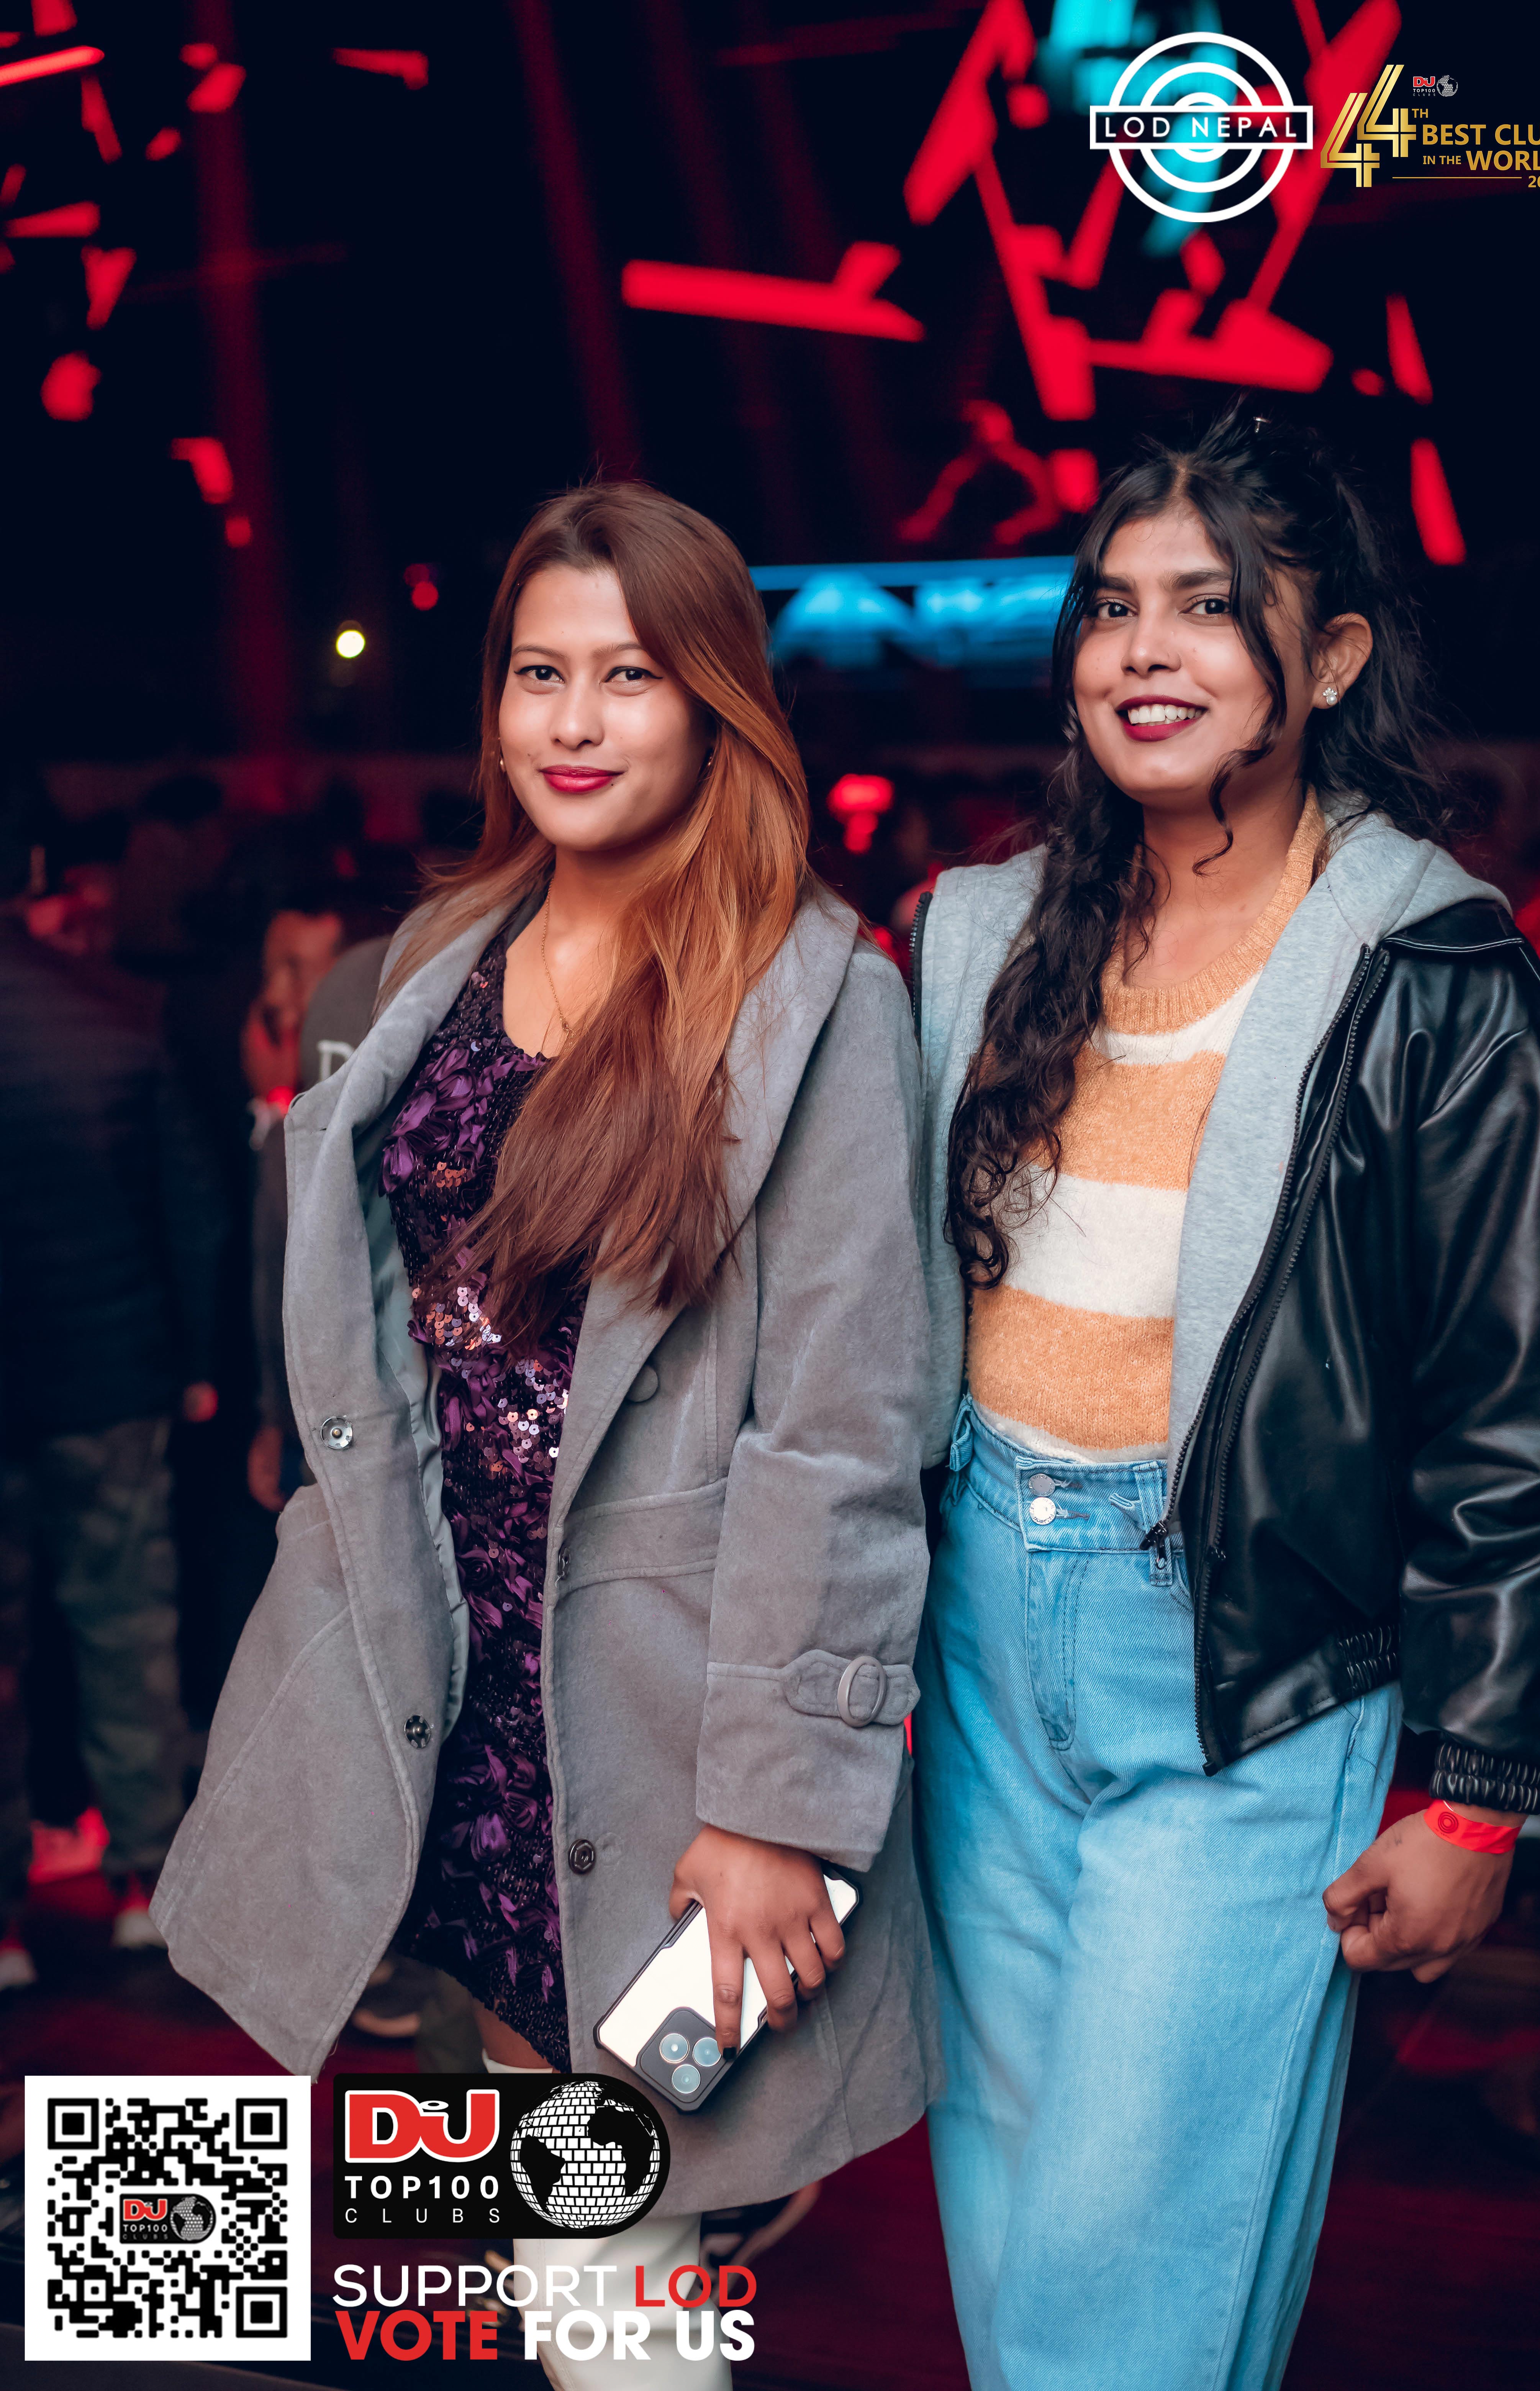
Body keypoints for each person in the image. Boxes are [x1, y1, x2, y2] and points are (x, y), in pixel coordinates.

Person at [154, 484, 939, 2386]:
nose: (574, 722)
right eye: (537, 673)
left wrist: (775, 1805)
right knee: (535, 2187)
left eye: (630, 677)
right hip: (440, 1673)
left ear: (716, 703)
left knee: (612, 2224)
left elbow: (841, 1427)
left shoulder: (814, 991)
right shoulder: (446, 949)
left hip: (657, 1710)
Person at [909, 409, 1540, 2390]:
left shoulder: (1436, 973)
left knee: (1125, 2293)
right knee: (1007, 2239)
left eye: (1210, 609)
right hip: (976, 1652)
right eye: (1111, 607)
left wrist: (1477, 1789)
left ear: (1335, 655)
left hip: (1245, 1669)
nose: (1145, 650)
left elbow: (1523, 1418)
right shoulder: (976, 936)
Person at [0, 863, 224, 1983]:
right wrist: (199, 1365)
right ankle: (144, 1881)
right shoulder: (115, 1011)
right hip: (111, 1380)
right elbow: (189, 1207)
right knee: (130, 1635)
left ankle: (3, 1928)